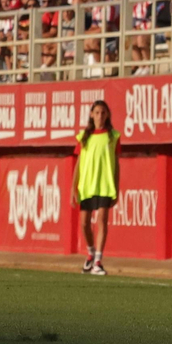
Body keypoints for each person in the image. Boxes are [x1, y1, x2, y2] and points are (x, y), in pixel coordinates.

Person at [73, 100, 120, 276]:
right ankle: (91, 253)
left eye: (103, 113)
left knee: (101, 220)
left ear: (107, 115)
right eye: (97, 112)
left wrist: (117, 187)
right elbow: (78, 163)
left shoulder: (113, 136)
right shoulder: (84, 137)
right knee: (84, 223)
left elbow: (117, 164)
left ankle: (98, 261)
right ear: (91, 115)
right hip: (86, 185)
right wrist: (73, 187)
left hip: (105, 185)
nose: (100, 116)